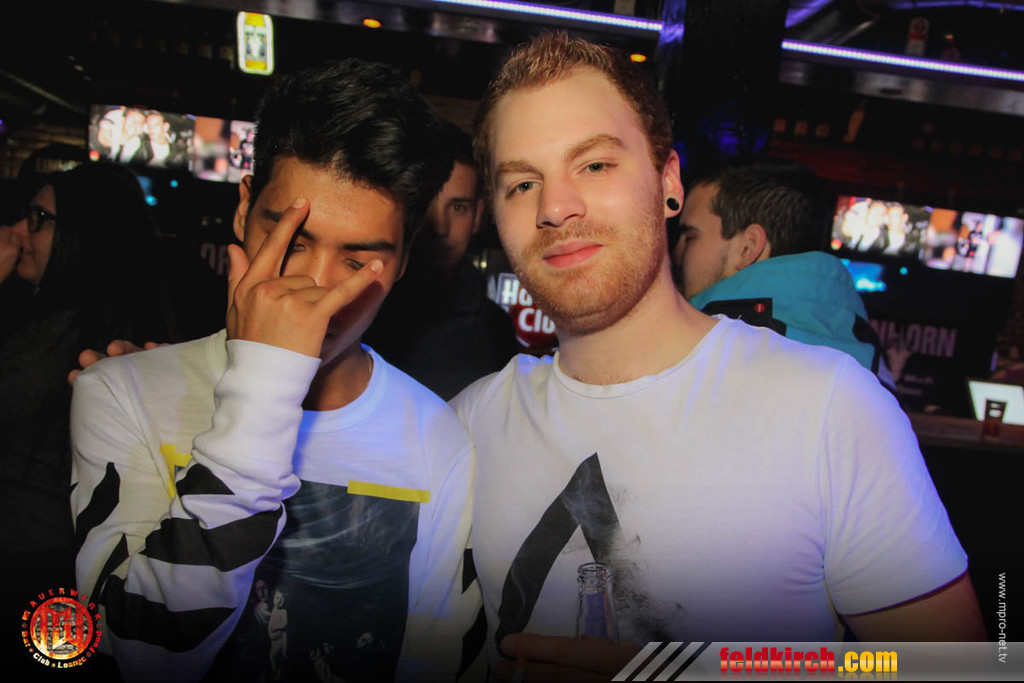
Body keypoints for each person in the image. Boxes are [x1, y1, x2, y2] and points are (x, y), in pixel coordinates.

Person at [453, 32, 985, 680]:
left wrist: (701, 669)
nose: (556, 206)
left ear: (668, 182)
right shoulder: (465, 428)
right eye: (521, 183)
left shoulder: (827, 407)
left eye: (594, 165)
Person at [70, 59, 475, 682]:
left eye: (357, 261)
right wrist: (263, 382)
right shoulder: (120, 393)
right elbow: (141, 656)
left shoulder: (436, 437)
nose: (314, 289)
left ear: (401, 261)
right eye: (292, 240)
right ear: (243, 212)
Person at [0, 162, 174, 652]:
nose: (17, 231)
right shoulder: (90, 320)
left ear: (83, 235)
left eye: (38, 219)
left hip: (32, 565)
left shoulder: (62, 333)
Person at [671, 157, 896, 391]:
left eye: (690, 236)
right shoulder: (871, 364)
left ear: (748, 247)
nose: (676, 253)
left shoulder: (700, 353)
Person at [366, 120, 519, 400]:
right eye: (427, 203)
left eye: (458, 207)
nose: (441, 227)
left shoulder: (495, 331)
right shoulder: (360, 310)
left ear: (477, 216)